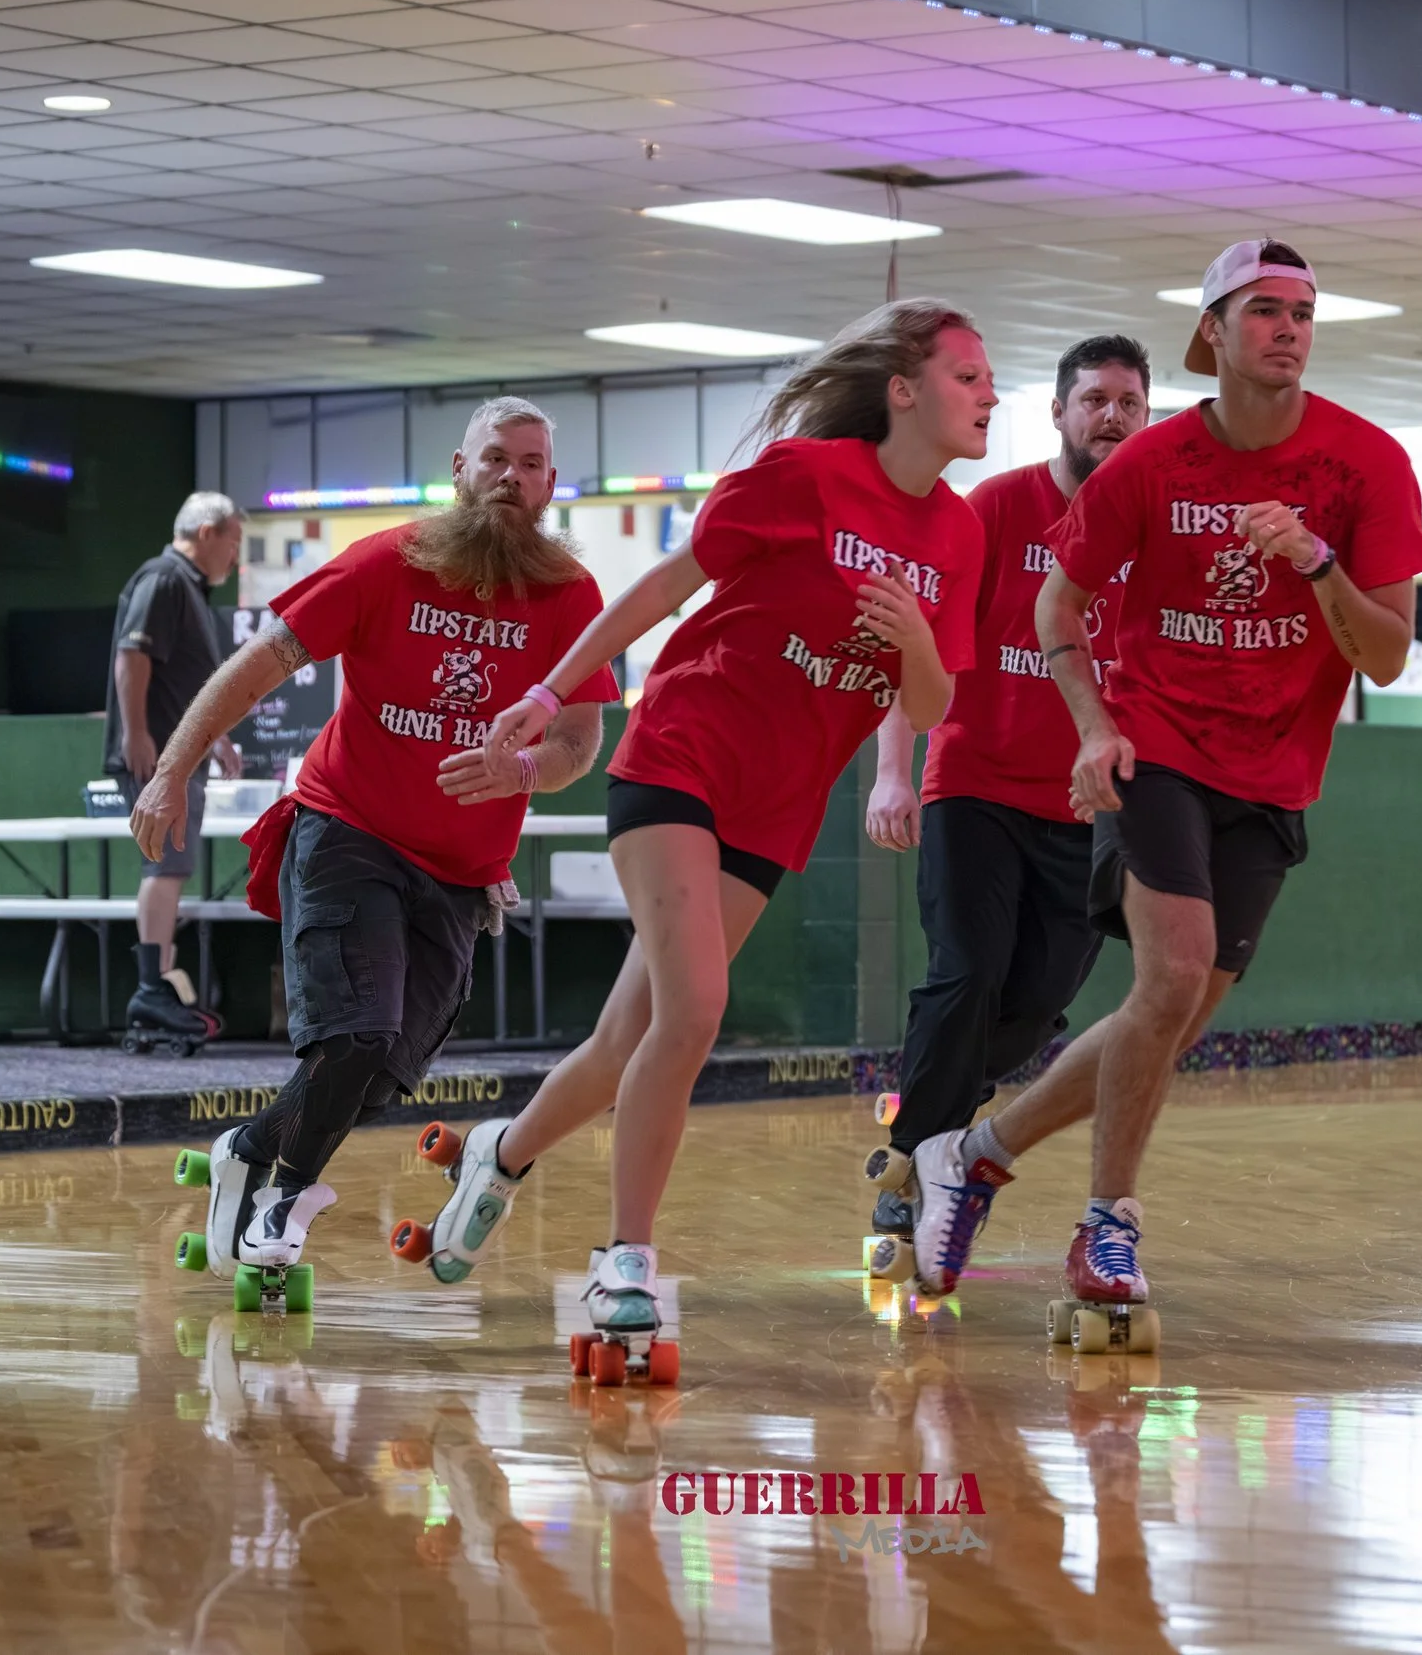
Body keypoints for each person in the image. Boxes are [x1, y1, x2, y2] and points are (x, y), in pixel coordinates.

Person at [401, 299, 994, 1359]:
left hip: (779, 802)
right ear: (903, 390)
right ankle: (626, 1259)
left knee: (634, 1035)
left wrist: (909, 637)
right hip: (680, 757)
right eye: (967, 375)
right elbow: (669, 582)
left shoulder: (957, 531)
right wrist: (548, 690)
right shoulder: (802, 477)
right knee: (697, 1010)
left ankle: (500, 1149)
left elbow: (937, 700)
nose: (989, 394)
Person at [905, 239, 1422, 1314]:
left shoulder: (1364, 465)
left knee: (1171, 1013)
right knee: (1172, 974)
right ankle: (1107, 1225)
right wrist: (1093, 726)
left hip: (1274, 768)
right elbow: (1058, 605)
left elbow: (1384, 653)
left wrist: (1316, 562)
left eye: (1302, 312)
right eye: (1264, 310)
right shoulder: (1151, 466)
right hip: (1156, 747)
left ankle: (978, 1151)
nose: (1288, 328)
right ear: (1213, 333)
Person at [130, 399, 617, 1278]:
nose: (515, 476)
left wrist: (527, 772)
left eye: (534, 463)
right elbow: (258, 664)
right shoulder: (385, 563)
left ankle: (249, 1145)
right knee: (354, 1035)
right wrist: (172, 769)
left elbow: (582, 741)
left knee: (384, 1066)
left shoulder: (569, 595)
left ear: (551, 482)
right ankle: (287, 1194)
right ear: (459, 469)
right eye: (497, 459)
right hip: (348, 828)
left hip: (461, 872)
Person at [858, 334, 1152, 1280]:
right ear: (1061, 413)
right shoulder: (997, 509)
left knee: (1038, 1004)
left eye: (1129, 403)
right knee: (967, 971)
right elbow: (921, 643)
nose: (1111, 416)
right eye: (1094, 399)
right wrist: (893, 771)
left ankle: (931, 1111)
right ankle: (915, 1175)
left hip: (1086, 808)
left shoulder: (1146, 529)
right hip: (972, 787)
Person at [107, 492, 247, 1047]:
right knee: (162, 868)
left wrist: (216, 740)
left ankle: (159, 986)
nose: (236, 557)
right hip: (158, 758)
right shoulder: (164, 579)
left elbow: (189, 684)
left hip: (181, 754)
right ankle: (150, 988)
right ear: (207, 532)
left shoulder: (189, 588)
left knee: (172, 869)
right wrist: (136, 732)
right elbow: (132, 656)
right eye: (234, 541)